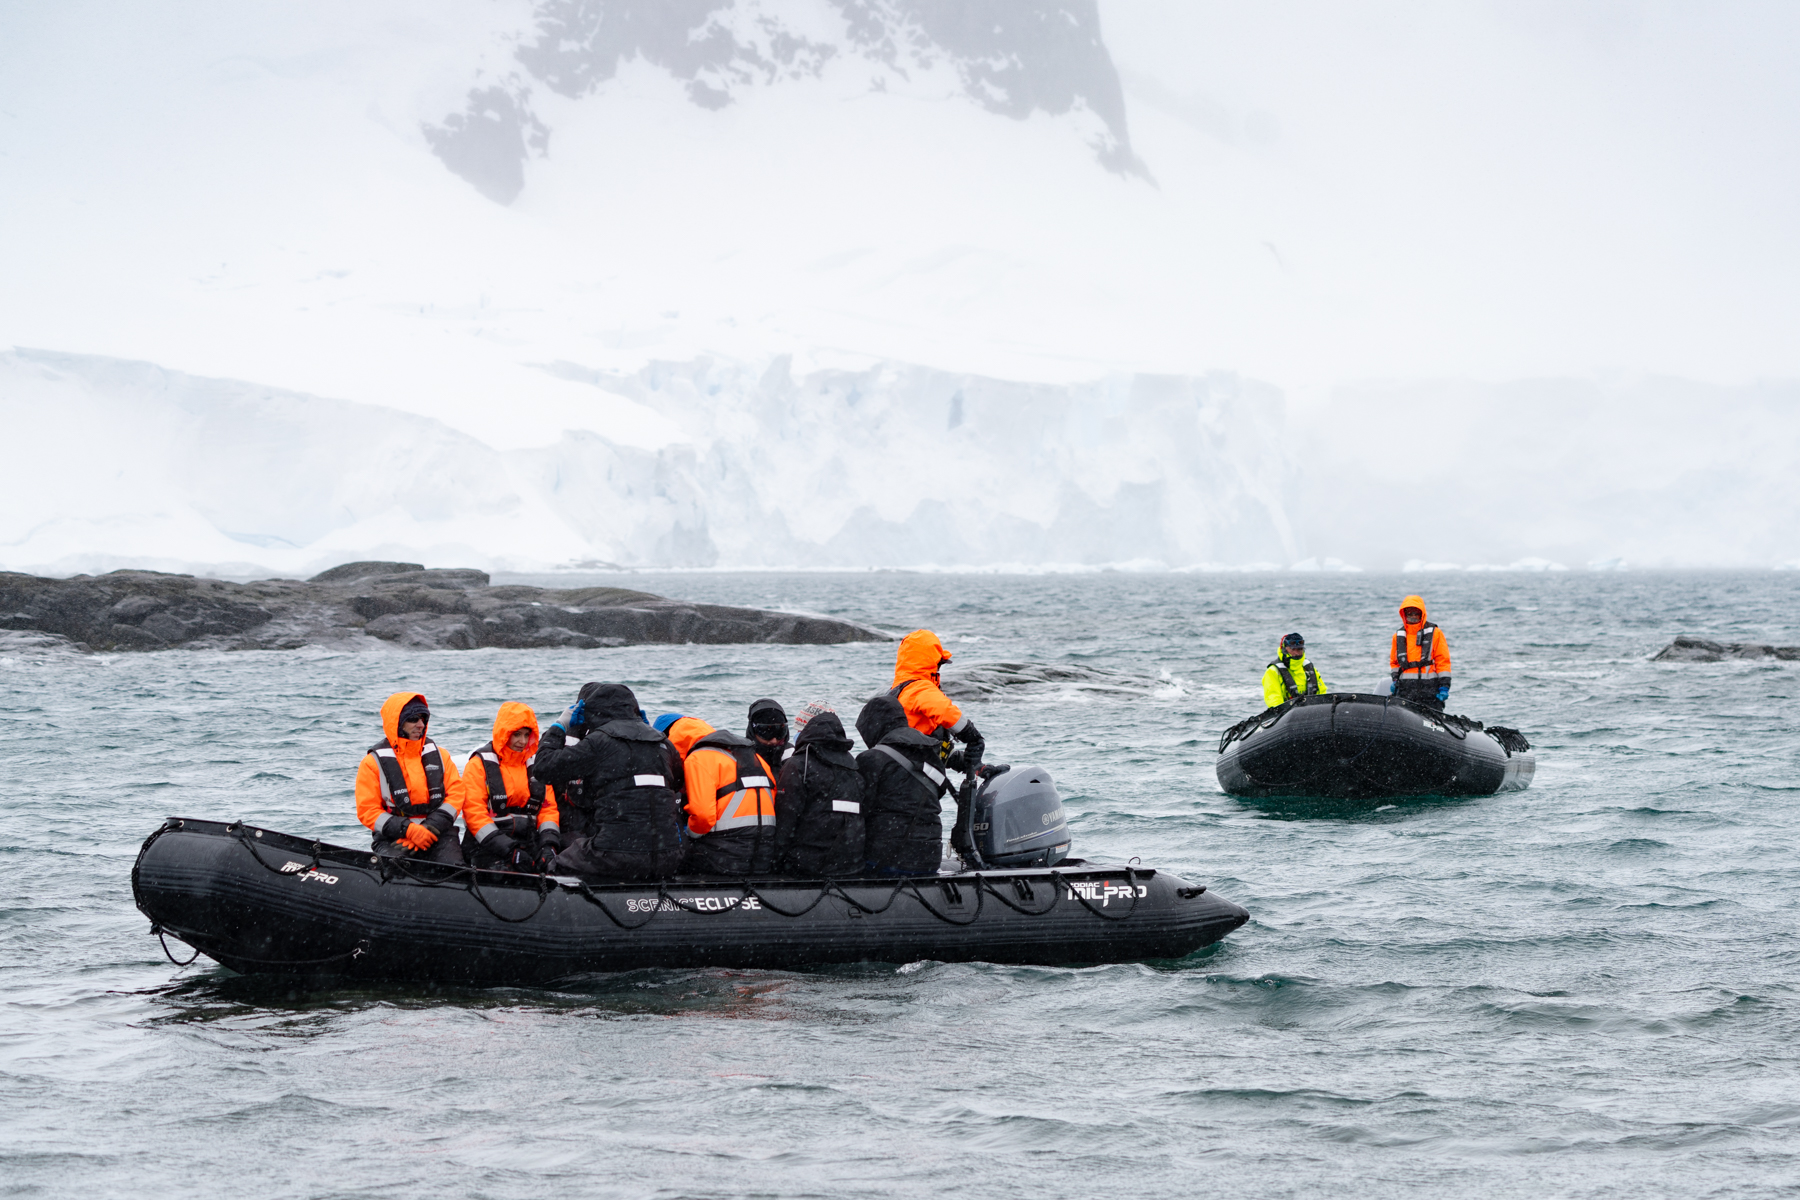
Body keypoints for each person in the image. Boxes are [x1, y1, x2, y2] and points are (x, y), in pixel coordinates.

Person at [530, 683, 685, 880]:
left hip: (616, 853)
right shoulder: (663, 742)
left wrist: (559, 726)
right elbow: (678, 781)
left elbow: (543, 768)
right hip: (669, 856)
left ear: (592, 712)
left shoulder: (599, 742)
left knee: (556, 865)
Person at [889, 629, 987, 854]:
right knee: (919, 842)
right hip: (915, 789)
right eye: (939, 664)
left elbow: (919, 744)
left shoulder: (896, 693)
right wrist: (974, 737)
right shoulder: (920, 688)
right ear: (930, 664)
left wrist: (966, 763)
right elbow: (945, 711)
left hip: (899, 783)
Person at [654, 712, 778, 876]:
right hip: (764, 856)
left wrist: (688, 836)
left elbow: (703, 816)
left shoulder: (699, 758)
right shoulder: (755, 758)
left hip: (724, 858)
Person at [354, 692, 466, 864]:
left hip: (438, 833)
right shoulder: (372, 763)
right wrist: (409, 830)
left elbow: (456, 795)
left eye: (423, 719)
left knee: (454, 871)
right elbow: (367, 810)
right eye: (413, 719)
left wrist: (429, 828)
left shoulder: (441, 756)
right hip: (394, 837)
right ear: (398, 722)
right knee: (396, 870)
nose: (420, 725)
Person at [855, 695, 950, 876]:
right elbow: (940, 789)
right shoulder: (930, 751)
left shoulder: (871, 759)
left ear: (873, 725)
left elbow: (859, 810)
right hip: (930, 857)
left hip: (888, 859)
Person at [461, 702, 562, 871]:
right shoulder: (479, 765)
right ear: (504, 734)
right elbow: (474, 814)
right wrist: (509, 851)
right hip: (487, 845)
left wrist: (549, 845)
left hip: (529, 842)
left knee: (553, 867)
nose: (522, 741)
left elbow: (548, 809)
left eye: (526, 735)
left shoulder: (536, 765)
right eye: (516, 735)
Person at [772, 705, 865, 877]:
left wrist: (774, 864)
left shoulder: (799, 765)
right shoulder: (855, 767)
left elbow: (786, 820)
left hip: (809, 866)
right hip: (851, 865)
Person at [1390, 594, 1453, 710]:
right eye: (1410, 613)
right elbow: (1394, 663)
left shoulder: (1435, 633)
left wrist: (1444, 686)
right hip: (1406, 690)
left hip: (1429, 689)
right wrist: (1394, 680)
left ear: (1421, 613)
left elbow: (1442, 661)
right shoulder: (1398, 636)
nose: (1413, 616)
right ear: (1404, 614)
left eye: (1416, 613)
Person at [1262, 632, 1329, 709]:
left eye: (1299, 649)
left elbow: (1322, 692)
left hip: (1312, 711)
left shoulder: (1308, 668)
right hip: (1287, 715)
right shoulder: (1273, 671)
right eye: (1293, 649)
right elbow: (1273, 698)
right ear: (1284, 649)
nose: (1296, 653)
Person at [746, 698, 792, 773]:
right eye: (766, 733)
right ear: (753, 731)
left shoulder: (793, 755)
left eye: (780, 732)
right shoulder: (741, 759)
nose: (774, 740)